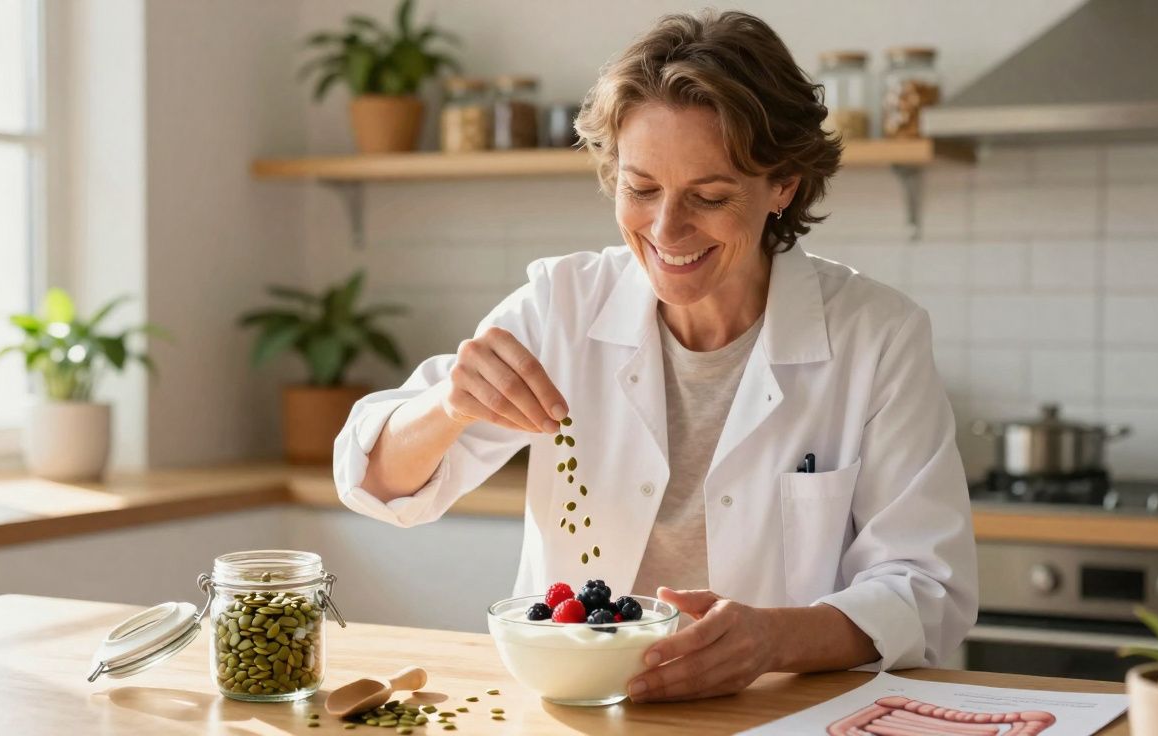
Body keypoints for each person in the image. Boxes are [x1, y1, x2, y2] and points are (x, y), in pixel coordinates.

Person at [334, 9, 976, 703]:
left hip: (775, 713)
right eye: (641, 189)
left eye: (709, 196)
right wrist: (446, 407)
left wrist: (773, 639)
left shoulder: (876, 336)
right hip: (578, 708)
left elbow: (927, 590)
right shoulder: (562, 306)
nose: (666, 230)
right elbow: (373, 476)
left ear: (783, 185)